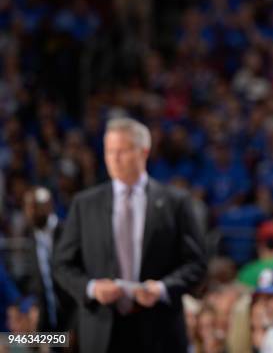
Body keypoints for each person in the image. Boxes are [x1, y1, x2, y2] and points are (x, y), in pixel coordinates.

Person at [53, 117, 206, 353]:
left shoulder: (176, 202)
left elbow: (196, 263)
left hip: (159, 328)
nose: (113, 159)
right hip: (101, 329)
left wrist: (163, 288)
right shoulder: (85, 204)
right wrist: (91, 288)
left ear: (143, 151)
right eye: (109, 151)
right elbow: (62, 264)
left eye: (122, 151)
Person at [22, 186, 74, 331]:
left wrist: (74, 326)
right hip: (47, 322)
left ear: (48, 206)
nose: (30, 213)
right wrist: (32, 307)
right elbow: (36, 281)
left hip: (72, 320)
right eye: (27, 207)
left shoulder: (68, 232)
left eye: (35, 207)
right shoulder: (32, 237)